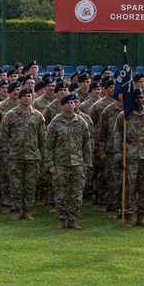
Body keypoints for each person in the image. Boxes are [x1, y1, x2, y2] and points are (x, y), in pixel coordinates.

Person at [44, 94, 92, 229]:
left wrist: (86, 163)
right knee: (60, 194)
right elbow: (49, 145)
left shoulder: (81, 122)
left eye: (73, 103)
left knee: (76, 194)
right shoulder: (55, 122)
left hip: (77, 163)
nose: (71, 105)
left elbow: (86, 144)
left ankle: (73, 220)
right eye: (68, 103)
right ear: (62, 105)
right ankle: (61, 219)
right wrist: (50, 164)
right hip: (61, 163)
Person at [115, 89, 144, 227]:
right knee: (129, 187)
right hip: (130, 156)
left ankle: (141, 216)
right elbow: (117, 137)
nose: (140, 100)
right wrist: (119, 156)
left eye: (142, 98)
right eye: (137, 98)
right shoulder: (124, 116)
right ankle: (128, 216)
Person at [0, 88, 46, 220]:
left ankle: (27, 210)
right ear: (19, 98)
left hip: (32, 156)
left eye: (29, 96)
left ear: (32, 97)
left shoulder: (38, 116)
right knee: (15, 184)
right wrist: (4, 153)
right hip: (15, 155)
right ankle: (17, 209)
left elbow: (43, 138)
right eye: (24, 96)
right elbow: (3, 137)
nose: (27, 98)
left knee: (30, 184)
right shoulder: (10, 115)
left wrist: (42, 154)